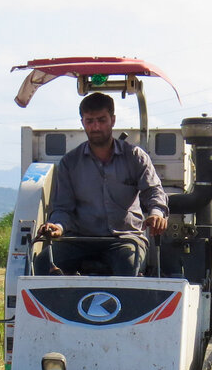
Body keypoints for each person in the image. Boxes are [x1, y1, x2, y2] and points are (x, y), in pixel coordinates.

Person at [37, 92, 168, 276]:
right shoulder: (70, 162)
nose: (96, 126)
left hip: (125, 239)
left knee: (128, 266)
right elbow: (63, 209)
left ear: (112, 120)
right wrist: (57, 226)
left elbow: (153, 191)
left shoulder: (135, 157)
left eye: (101, 120)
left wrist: (156, 214)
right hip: (80, 239)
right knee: (42, 263)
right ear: (82, 122)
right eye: (90, 121)